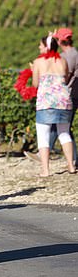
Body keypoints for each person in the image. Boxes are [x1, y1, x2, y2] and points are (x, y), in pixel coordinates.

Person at [31, 34, 75, 177]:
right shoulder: (62, 61)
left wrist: (33, 71)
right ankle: (71, 166)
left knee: (43, 135)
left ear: (47, 46)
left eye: (41, 45)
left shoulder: (38, 62)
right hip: (64, 101)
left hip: (46, 102)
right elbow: (66, 78)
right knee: (64, 133)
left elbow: (35, 84)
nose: (39, 47)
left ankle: (45, 170)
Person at [50, 27, 78, 170]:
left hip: (69, 95)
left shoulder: (70, 55)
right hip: (70, 94)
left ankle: (45, 151)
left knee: (61, 125)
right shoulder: (69, 54)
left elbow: (65, 77)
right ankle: (73, 159)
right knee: (64, 126)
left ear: (61, 40)